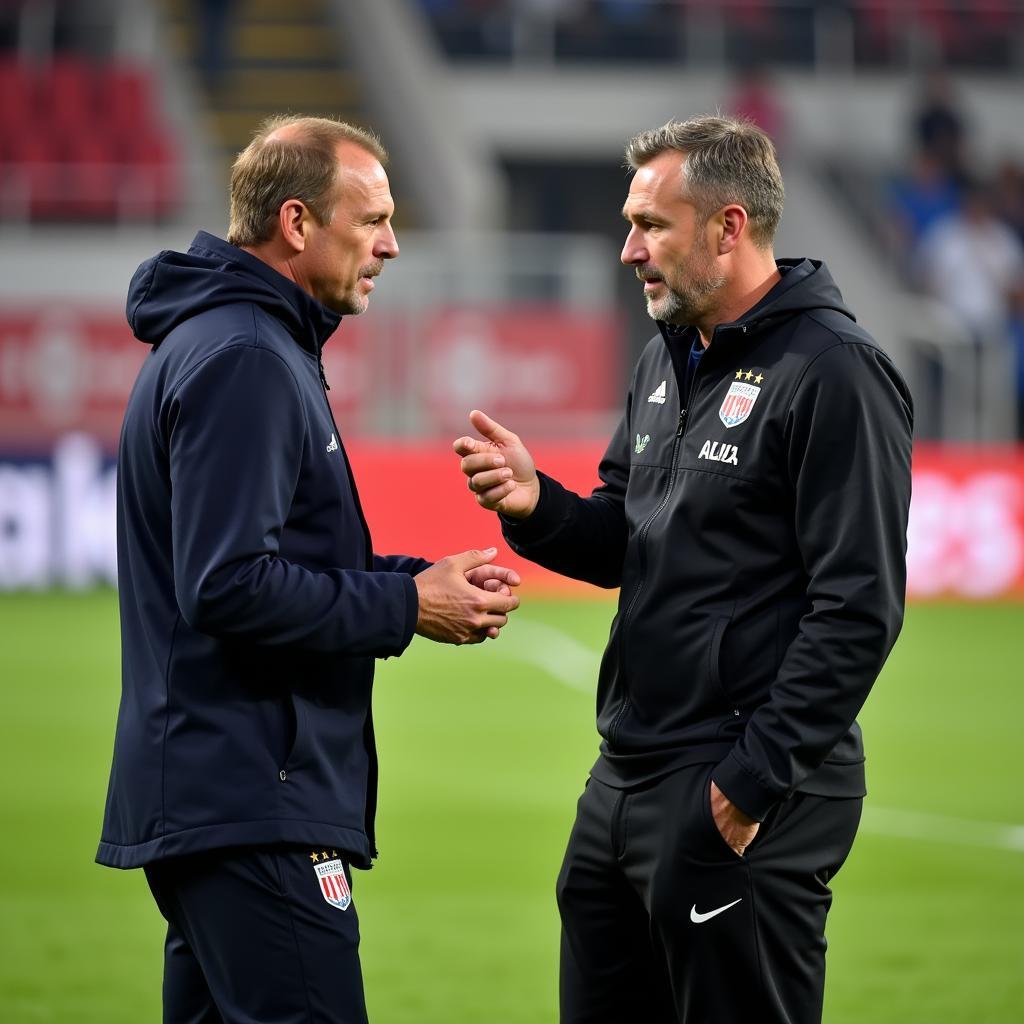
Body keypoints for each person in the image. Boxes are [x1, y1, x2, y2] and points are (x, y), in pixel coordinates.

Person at [455, 115, 913, 1024]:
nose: (629, 250)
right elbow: (629, 540)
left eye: (652, 225)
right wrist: (535, 505)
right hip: (626, 771)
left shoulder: (836, 374)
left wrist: (748, 789)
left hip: (742, 782)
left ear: (729, 227)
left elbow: (858, 609)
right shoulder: (666, 361)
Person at [96, 115, 520, 1024]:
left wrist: (420, 581)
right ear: (297, 222)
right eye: (371, 220)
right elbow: (227, 582)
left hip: (227, 794)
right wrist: (406, 606)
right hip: (252, 798)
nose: (392, 244)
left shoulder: (242, 341)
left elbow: (280, 561)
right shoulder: (247, 356)